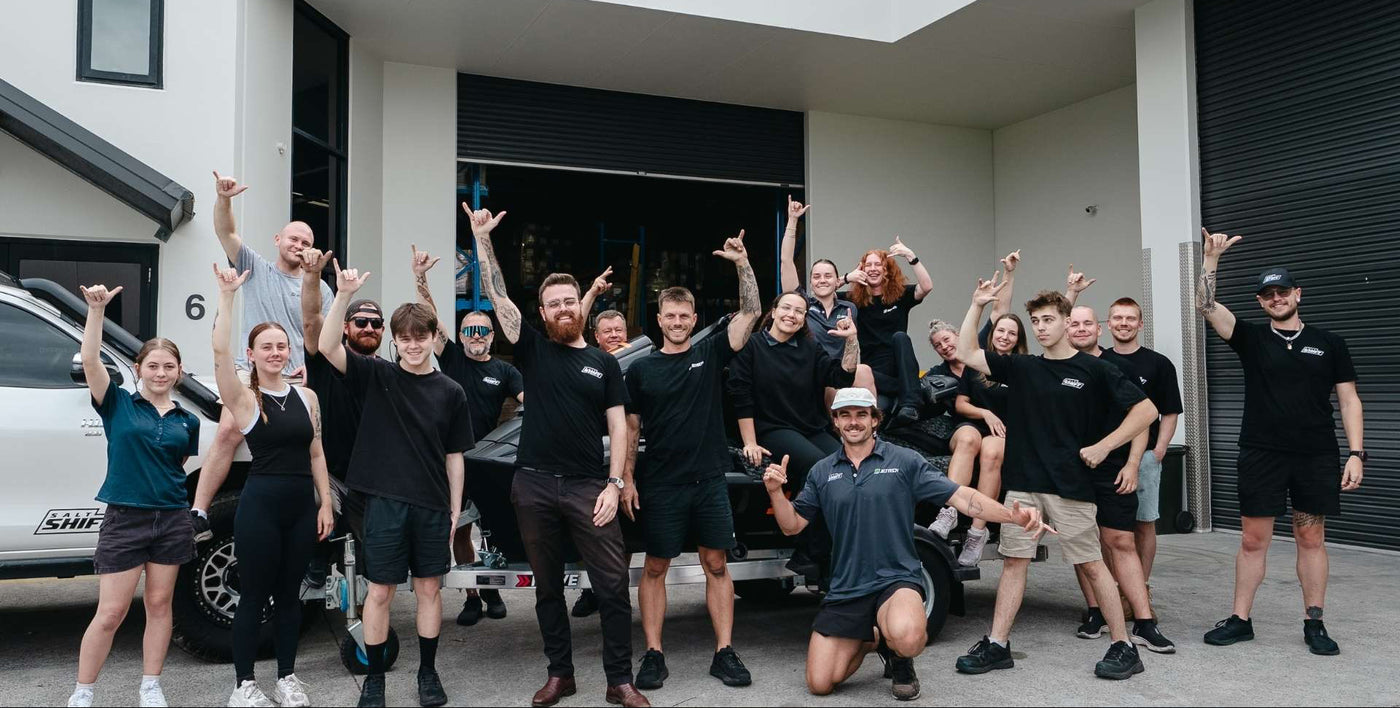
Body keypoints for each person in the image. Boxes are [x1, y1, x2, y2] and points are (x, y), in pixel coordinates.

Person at [763, 387, 1055, 701]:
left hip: (896, 578)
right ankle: (873, 639)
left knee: (910, 637)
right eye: (845, 415)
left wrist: (1012, 517)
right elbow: (791, 526)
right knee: (820, 684)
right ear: (835, 422)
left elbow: (963, 497)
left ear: (875, 419)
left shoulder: (903, 461)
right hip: (846, 586)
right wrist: (776, 493)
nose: (853, 422)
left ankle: (900, 656)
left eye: (862, 414)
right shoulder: (822, 471)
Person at [468, 205, 649, 708]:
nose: (564, 308)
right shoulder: (531, 348)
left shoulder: (603, 364)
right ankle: (560, 675)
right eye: (554, 303)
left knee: (612, 586)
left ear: (580, 307)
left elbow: (619, 425)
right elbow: (501, 298)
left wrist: (615, 485)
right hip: (533, 485)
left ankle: (620, 681)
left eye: (571, 300)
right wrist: (482, 240)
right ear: (543, 312)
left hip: (590, 486)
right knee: (547, 589)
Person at [953, 275, 1158, 680]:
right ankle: (997, 644)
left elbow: (1146, 411)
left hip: (1070, 484)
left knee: (1093, 563)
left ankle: (1124, 646)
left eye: (1049, 319)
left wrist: (1104, 446)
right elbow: (966, 352)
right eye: (1036, 321)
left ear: (1067, 321)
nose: (1042, 327)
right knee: (1014, 562)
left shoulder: (1095, 369)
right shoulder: (1023, 367)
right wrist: (977, 304)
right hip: (1024, 482)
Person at [1196, 228, 1364, 655]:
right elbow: (1205, 305)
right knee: (1253, 540)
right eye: (1268, 295)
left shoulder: (1330, 344)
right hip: (1261, 453)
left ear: (1297, 294)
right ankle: (1240, 619)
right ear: (1260, 302)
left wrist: (1357, 453)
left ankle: (1314, 623)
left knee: (1311, 538)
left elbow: (1349, 401)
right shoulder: (1251, 339)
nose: (1276, 299)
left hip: (1316, 455)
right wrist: (1211, 260)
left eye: (1283, 291)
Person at [319, 262, 475, 708]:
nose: (411, 345)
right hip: (383, 503)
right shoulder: (376, 375)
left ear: (431, 338)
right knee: (381, 591)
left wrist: (454, 511)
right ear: (395, 340)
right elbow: (327, 344)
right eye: (403, 338)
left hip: (431, 504)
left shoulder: (451, 392)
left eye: (419, 337)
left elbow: (455, 456)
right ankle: (375, 681)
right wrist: (343, 295)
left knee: (429, 590)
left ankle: (428, 672)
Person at [624, 230, 762, 690]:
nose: (678, 321)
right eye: (671, 315)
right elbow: (631, 428)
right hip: (661, 482)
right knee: (655, 567)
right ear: (659, 319)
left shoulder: (709, 351)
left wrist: (743, 264)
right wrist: (625, 479)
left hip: (708, 480)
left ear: (693, 318)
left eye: (685, 315)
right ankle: (654, 655)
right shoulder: (641, 368)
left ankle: (724, 652)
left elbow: (752, 313)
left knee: (717, 564)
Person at [67, 285, 201, 708]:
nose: (161, 373)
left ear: (179, 371)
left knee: (160, 605)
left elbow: (176, 467)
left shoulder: (188, 421)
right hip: (125, 518)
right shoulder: (117, 404)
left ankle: (151, 685)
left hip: (172, 519)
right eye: (153, 366)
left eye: (169, 367)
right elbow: (90, 359)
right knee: (111, 612)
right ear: (139, 368)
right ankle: (83, 692)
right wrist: (96, 311)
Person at [209, 266, 335, 707]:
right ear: (253, 353)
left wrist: (325, 504)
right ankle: (244, 685)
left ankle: (286, 678)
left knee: (290, 598)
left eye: (282, 346)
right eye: (267, 347)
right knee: (254, 596)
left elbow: (316, 452)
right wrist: (227, 297)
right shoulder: (244, 397)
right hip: (260, 507)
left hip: (302, 507)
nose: (276, 352)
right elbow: (220, 354)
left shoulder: (307, 397)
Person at [192, 172, 333, 541]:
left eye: (306, 242)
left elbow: (324, 334)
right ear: (278, 240)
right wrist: (224, 200)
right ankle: (199, 511)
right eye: (293, 238)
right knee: (227, 431)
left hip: (297, 378)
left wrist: (314, 363)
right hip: (249, 373)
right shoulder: (255, 269)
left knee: (308, 447)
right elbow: (227, 233)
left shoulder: (321, 286)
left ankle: (318, 516)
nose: (299, 245)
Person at [412, 245, 523, 627]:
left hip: (489, 461)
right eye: (469, 330)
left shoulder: (506, 372)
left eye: (483, 330)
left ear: (493, 336)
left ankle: (491, 590)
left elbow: (531, 406)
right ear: (461, 334)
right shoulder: (454, 357)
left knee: (492, 529)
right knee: (460, 528)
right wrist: (420, 278)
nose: (476, 335)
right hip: (451, 458)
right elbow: (429, 320)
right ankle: (472, 596)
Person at [728, 291, 862, 579]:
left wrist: (851, 340)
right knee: (820, 467)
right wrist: (749, 441)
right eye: (786, 308)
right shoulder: (752, 347)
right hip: (771, 429)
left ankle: (844, 540)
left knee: (850, 465)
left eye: (799, 311)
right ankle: (808, 550)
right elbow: (741, 396)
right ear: (773, 312)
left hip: (810, 427)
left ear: (804, 319)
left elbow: (841, 377)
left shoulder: (809, 349)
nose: (791, 314)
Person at [1066, 306, 1176, 654]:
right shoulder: (1057, 368)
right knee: (1084, 543)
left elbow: (1142, 418)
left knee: (1123, 539)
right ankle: (1096, 611)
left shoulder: (1121, 368)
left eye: (1088, 323)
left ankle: (1143, 620)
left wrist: (1133, 463)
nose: (1081, 329)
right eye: (1074, 323)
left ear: (1098, 329)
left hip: (1115, 466)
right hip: (1072, 469)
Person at [298, 246, 383, 588]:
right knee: (310, 503)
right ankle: (314, 558)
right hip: (328, 473)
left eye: (375, 323)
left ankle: (369, 630)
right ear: (346, 328)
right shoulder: (325, 360)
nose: (368, 328)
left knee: (370, 565)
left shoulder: (387, 372)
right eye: (360, 322)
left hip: (369, 480)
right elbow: (310, 320)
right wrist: (313, 276)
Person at [926, 312, 1027, 567]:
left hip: (1004, 432)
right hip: (970, 424)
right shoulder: (977, 363)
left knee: (992, 452)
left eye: (1011, 333)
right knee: (969, 440)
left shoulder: (1025, 366)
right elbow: (960, 404)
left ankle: (977, 533)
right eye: (1000, 331)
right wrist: (986, 412)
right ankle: (948, 512)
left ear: (1018, 339)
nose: (1004, 336)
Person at [1099, 298, 1183, 590]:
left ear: (1140, 324)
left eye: (1130, 318)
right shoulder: (1099, 362)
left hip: (1145, 456)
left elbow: (1170, 412)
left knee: (1144, 523)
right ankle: (1113, 590)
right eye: (1118, 318)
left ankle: (1140, 588)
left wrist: (1158, 451)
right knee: (1107, 526)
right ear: (1108, 324)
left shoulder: (1159, 364)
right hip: (1106, 456)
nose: (1124, 323)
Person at [842, 239, 933, 424]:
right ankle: (913, 390)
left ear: (886, 270)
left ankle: (910, 401)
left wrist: (910, 256)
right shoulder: (854, 301)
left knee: (900, 337)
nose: (873, 268)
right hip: (874, 374)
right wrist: (846, 278)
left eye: (878, 264)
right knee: (878, 410)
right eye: (868, 265)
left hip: (901, 365)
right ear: (862, 269)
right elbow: (820, 293)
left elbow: (926, 287)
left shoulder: (900, 295)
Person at [581, 266, 631, 355]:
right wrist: (591, 294)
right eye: (607, 331)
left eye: (619, 330)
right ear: (597, 336)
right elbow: (573, 330)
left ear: (626, 333)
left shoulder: (638, 361)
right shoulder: (590, 361)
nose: (614, 335)